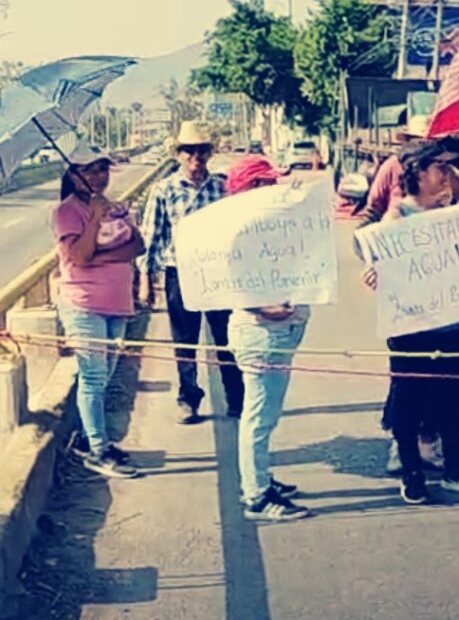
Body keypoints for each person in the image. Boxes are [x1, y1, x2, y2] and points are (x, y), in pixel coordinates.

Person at [362, 141, 459, 504]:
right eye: (439, 167)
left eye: (449, 167)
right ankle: (412, 471)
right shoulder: (397, 219)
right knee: (409, 399)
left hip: (453, 325)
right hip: (411, 328)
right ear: (418, 172)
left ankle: (455, 467)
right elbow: (375, 260)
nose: (446, 174)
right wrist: (375, 273)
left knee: (454, 398)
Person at [225, 156, 312, 522]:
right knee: (259, 417)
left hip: (278, 331)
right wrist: (263, 308)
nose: (274, 188)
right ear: (250, 190)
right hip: (262, 333)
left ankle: (260, 478)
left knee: (266, 415)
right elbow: (233, 281)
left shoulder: (266, 226)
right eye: (266, 183)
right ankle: (257, 496)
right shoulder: (239, 231)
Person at [139, 121, 244, 424]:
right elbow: (151, 238)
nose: (195, 156)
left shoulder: (222, 187)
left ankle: (236, 398)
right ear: (179, 154)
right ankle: (189, 399)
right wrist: (146, 280)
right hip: (180, 274)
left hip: (218, 274)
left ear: (209, 153)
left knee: (227, 339)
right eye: (189, 151)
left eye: (201, 150)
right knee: (185, 342)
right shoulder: (165, 190)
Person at [52, 146, 145, 479]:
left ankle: (89, 438)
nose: (98, 177)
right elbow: (79, 255)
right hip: (83, 304)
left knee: (104, 377)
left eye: (102, 169)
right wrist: (94, 217)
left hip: (117, 302)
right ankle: (98, 450)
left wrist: (105, 254)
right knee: (93, 377)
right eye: (90, 171)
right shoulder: (67, 212)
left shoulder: (116, 208)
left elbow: (138, 246)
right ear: (73, 176)